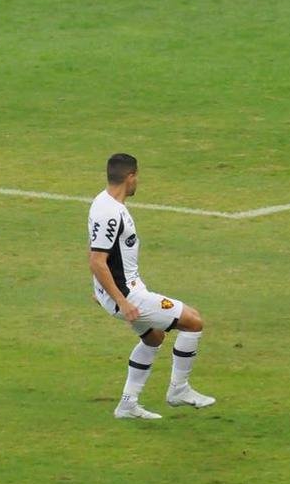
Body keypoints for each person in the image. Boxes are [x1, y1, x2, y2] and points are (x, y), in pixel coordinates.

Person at [89, 153, 215, 420]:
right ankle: (179, 390)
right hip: (129, 296)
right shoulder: (111, 213)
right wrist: (120, 301)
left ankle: (127, 405)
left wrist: (101, 293)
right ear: (130, 177)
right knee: (193, 322)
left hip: (118, 292)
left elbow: (102, 255)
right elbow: (97, 261)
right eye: (137, 177)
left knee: (154, 337)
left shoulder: (102, 202)